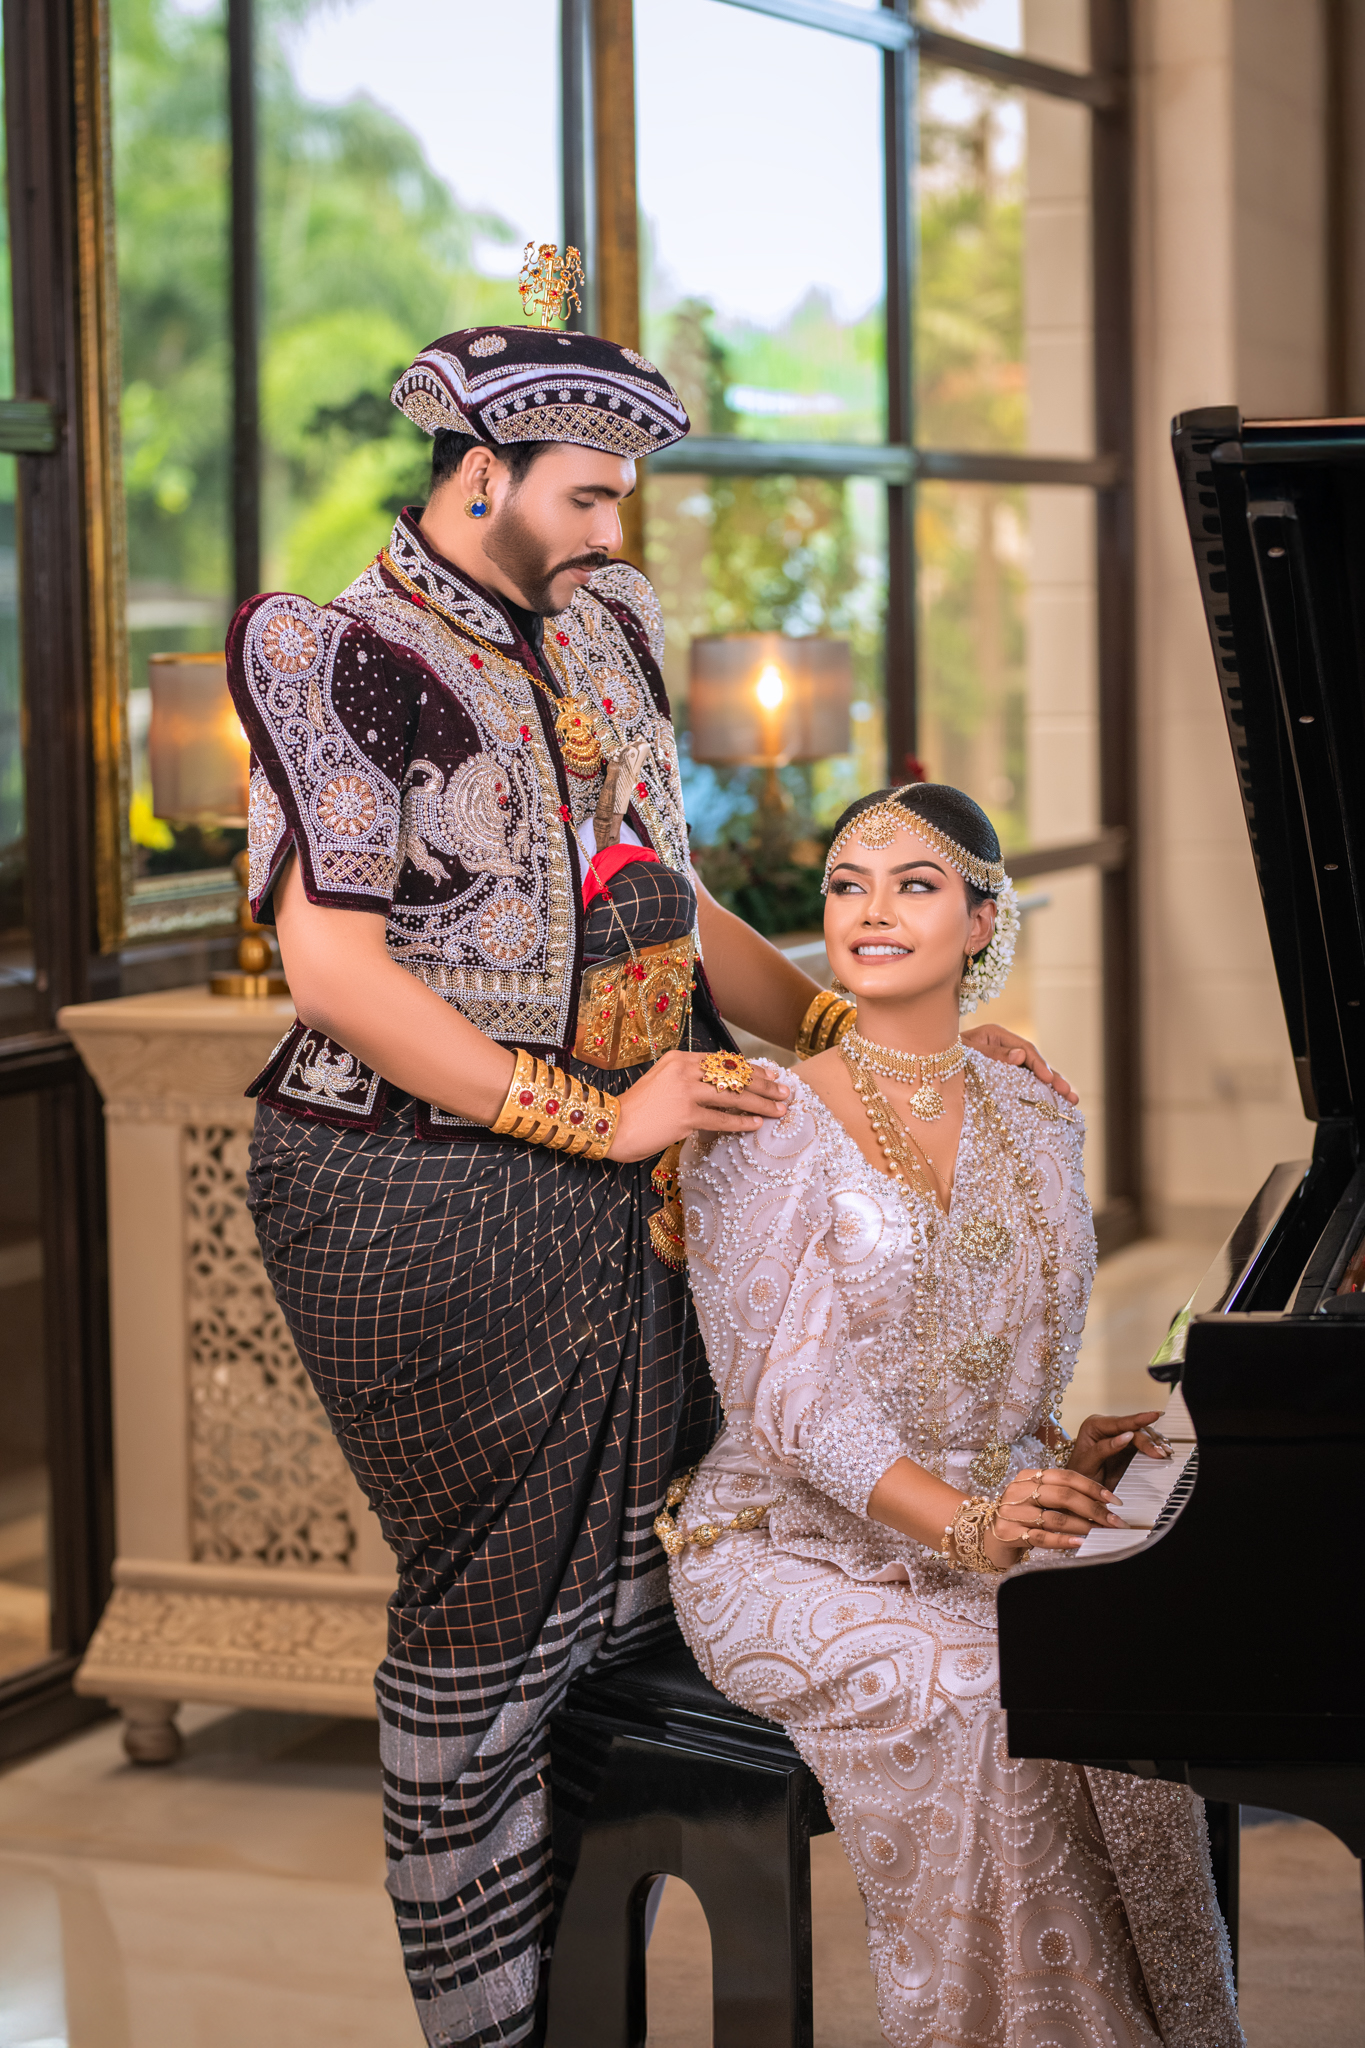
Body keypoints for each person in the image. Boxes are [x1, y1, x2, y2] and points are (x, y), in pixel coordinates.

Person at [229, 283, 1075, 2048]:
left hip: (631, 1172)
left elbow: (666, 897)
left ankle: (583, 1993)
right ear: (479, 470)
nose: (615, 527)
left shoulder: (602, 621)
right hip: (411, 1192)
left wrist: (858, 1030)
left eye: (621, 497)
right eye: (588, 492)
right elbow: (334, 973)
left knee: (625, 1604)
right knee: (486, 1623)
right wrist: (596, 1120)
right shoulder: (338, 656)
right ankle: (487, 2025)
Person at [663, 780, 1243, 2048]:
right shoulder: (769, 1124)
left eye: (913, 885)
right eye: (847, 885)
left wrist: (1056, 1445)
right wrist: (971, 1523)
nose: (871, 911)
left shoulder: (1034, 1110)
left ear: (983, 921)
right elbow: (792, 1405)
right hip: (787, 1543)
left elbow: (1014, 1334)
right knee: (986, 1688)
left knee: (1120, 1662)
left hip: (988, 1516)